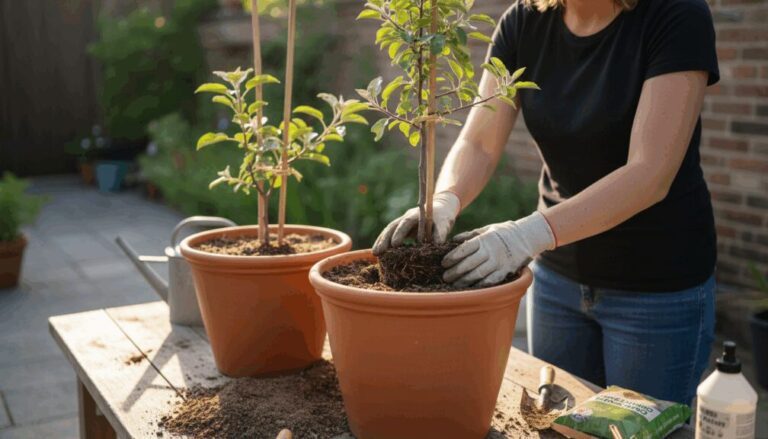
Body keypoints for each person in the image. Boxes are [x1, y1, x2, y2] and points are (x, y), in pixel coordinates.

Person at [372, 0, 719, 405]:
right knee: (556, 422)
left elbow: (650, 173)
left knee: (639, 428)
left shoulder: (676, 15)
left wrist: (528, 234)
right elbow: (479, 142)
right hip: (557, 282)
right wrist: (447, 197)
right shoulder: (523, 23)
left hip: (655, 287)